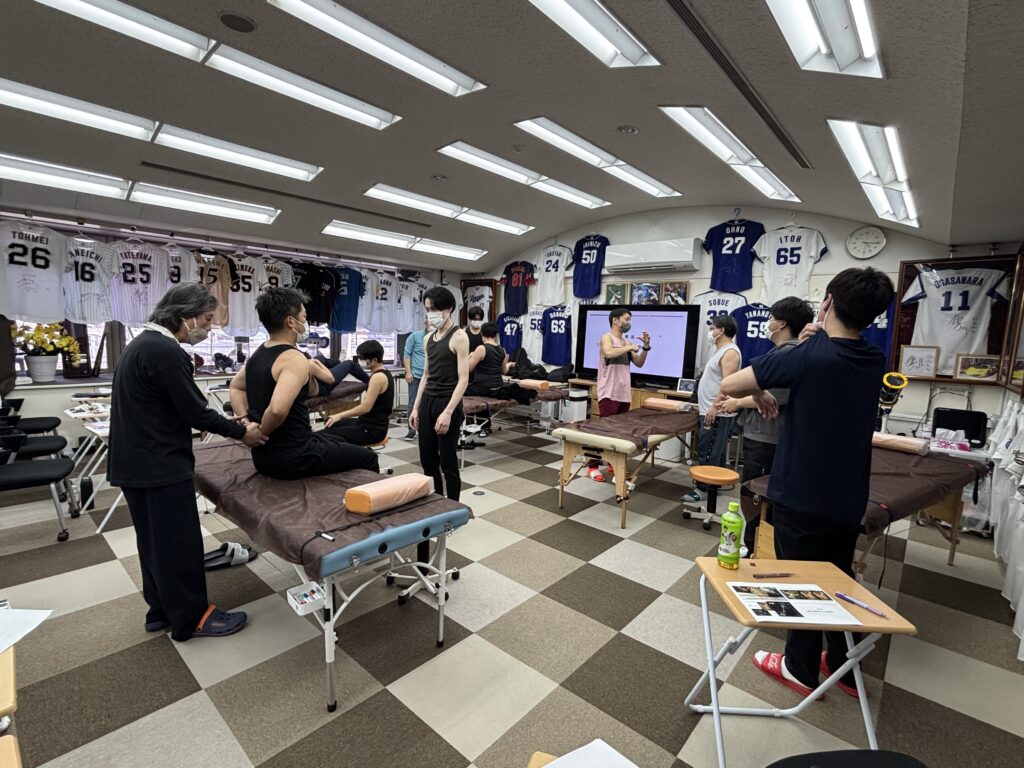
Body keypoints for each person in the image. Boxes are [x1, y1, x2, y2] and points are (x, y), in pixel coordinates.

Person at [719, 267, 895, 700]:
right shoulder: (874, 358)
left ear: (828, 302)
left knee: (799, 581)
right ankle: (844, 668)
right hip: (847, 496)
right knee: (838, 580)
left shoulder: (805, 355)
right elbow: (835, 354)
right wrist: (813, 338)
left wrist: (760, 391)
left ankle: (799, 668)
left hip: (801, 492)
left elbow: (729, 384)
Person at [108, 284, 268, 641]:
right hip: (159, 466)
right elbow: (195, 412)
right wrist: (242, 433)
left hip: (137, 463)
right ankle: (191, 618)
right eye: (207, 320)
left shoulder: (141, 345)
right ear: (185, 316)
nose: (209, 328)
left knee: (155, 544)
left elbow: (172, 407)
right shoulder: (165, 351)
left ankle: (160, 611)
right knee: (179, 545)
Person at [228, 287, 379, 480]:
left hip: (263, 456)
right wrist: (257, 433)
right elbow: (277, 410)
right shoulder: (293, 358)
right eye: (304, 317)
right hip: (294, 456)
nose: (306, 323)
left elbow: (236, 387)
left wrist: (245, 422)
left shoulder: (258, 354)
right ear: (291, 322)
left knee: (336, 440)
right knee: (369, 457)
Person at [715, 297, 813, 553]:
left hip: (766, 438)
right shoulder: (790, 352)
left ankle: (754, 549)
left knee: (755, 495)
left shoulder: (789, 354)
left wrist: (738, 402)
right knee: (759, 497)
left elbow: (776, 396)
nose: (768, 323)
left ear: (781, 324)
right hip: (766, 434)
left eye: (771, 318)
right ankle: (757, 545)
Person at [410, 286, 469, 500]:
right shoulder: (427, 339)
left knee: (448, 461)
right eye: (428, 309)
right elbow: (426, 375)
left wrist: (448, 412)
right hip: (428, 401)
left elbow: (463, 379)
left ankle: (453, 507)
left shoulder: (459, 337)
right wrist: (415, 408)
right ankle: (436, 504)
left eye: (434, 309)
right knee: (427, 460)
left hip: (447, 401)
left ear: (449, 308)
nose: (431, 313)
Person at [682, 315, 740, 502]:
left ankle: (703, 489)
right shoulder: (720, 351)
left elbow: (728, 384)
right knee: (715, 450)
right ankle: (713, 486)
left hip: (717, 412)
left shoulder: (730, 352)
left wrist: (714, 407)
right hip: (710, 409)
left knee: (708, 450)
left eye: (712, 328)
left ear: (721, 330)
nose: (710, 332)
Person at [588, 308, 650, 481]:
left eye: (629, 319)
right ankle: (592, 466)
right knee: (604, 431)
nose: (629, 322)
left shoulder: (626, 342)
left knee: (620, 432)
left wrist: (645, 347)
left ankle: (613, 464)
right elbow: (608, 352)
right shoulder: (606, 338)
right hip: (609, 392)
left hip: (624, 393)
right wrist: (629, 347)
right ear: (615, 320)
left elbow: (639, 363)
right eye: (626, 319)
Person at [322, 340, 394, 446]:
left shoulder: (378, 377)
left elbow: (365, 408)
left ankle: (348, 453)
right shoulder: (384, 373)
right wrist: (337, 417)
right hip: (364, 423)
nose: (360, 361)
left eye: (363, 358)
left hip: (371, 431)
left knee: (322, 436)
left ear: (374, 360)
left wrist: (340, 415)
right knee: (330, 422)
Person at [403, 320, 427, 440]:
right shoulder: (415, 336)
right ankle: (411, 430)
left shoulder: (438, 337)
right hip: (416, 375)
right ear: (425, 323)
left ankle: (425, 429)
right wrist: (408, 372)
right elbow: (407, 354)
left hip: (432, 377)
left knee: (429, 403)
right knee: (413, 403)